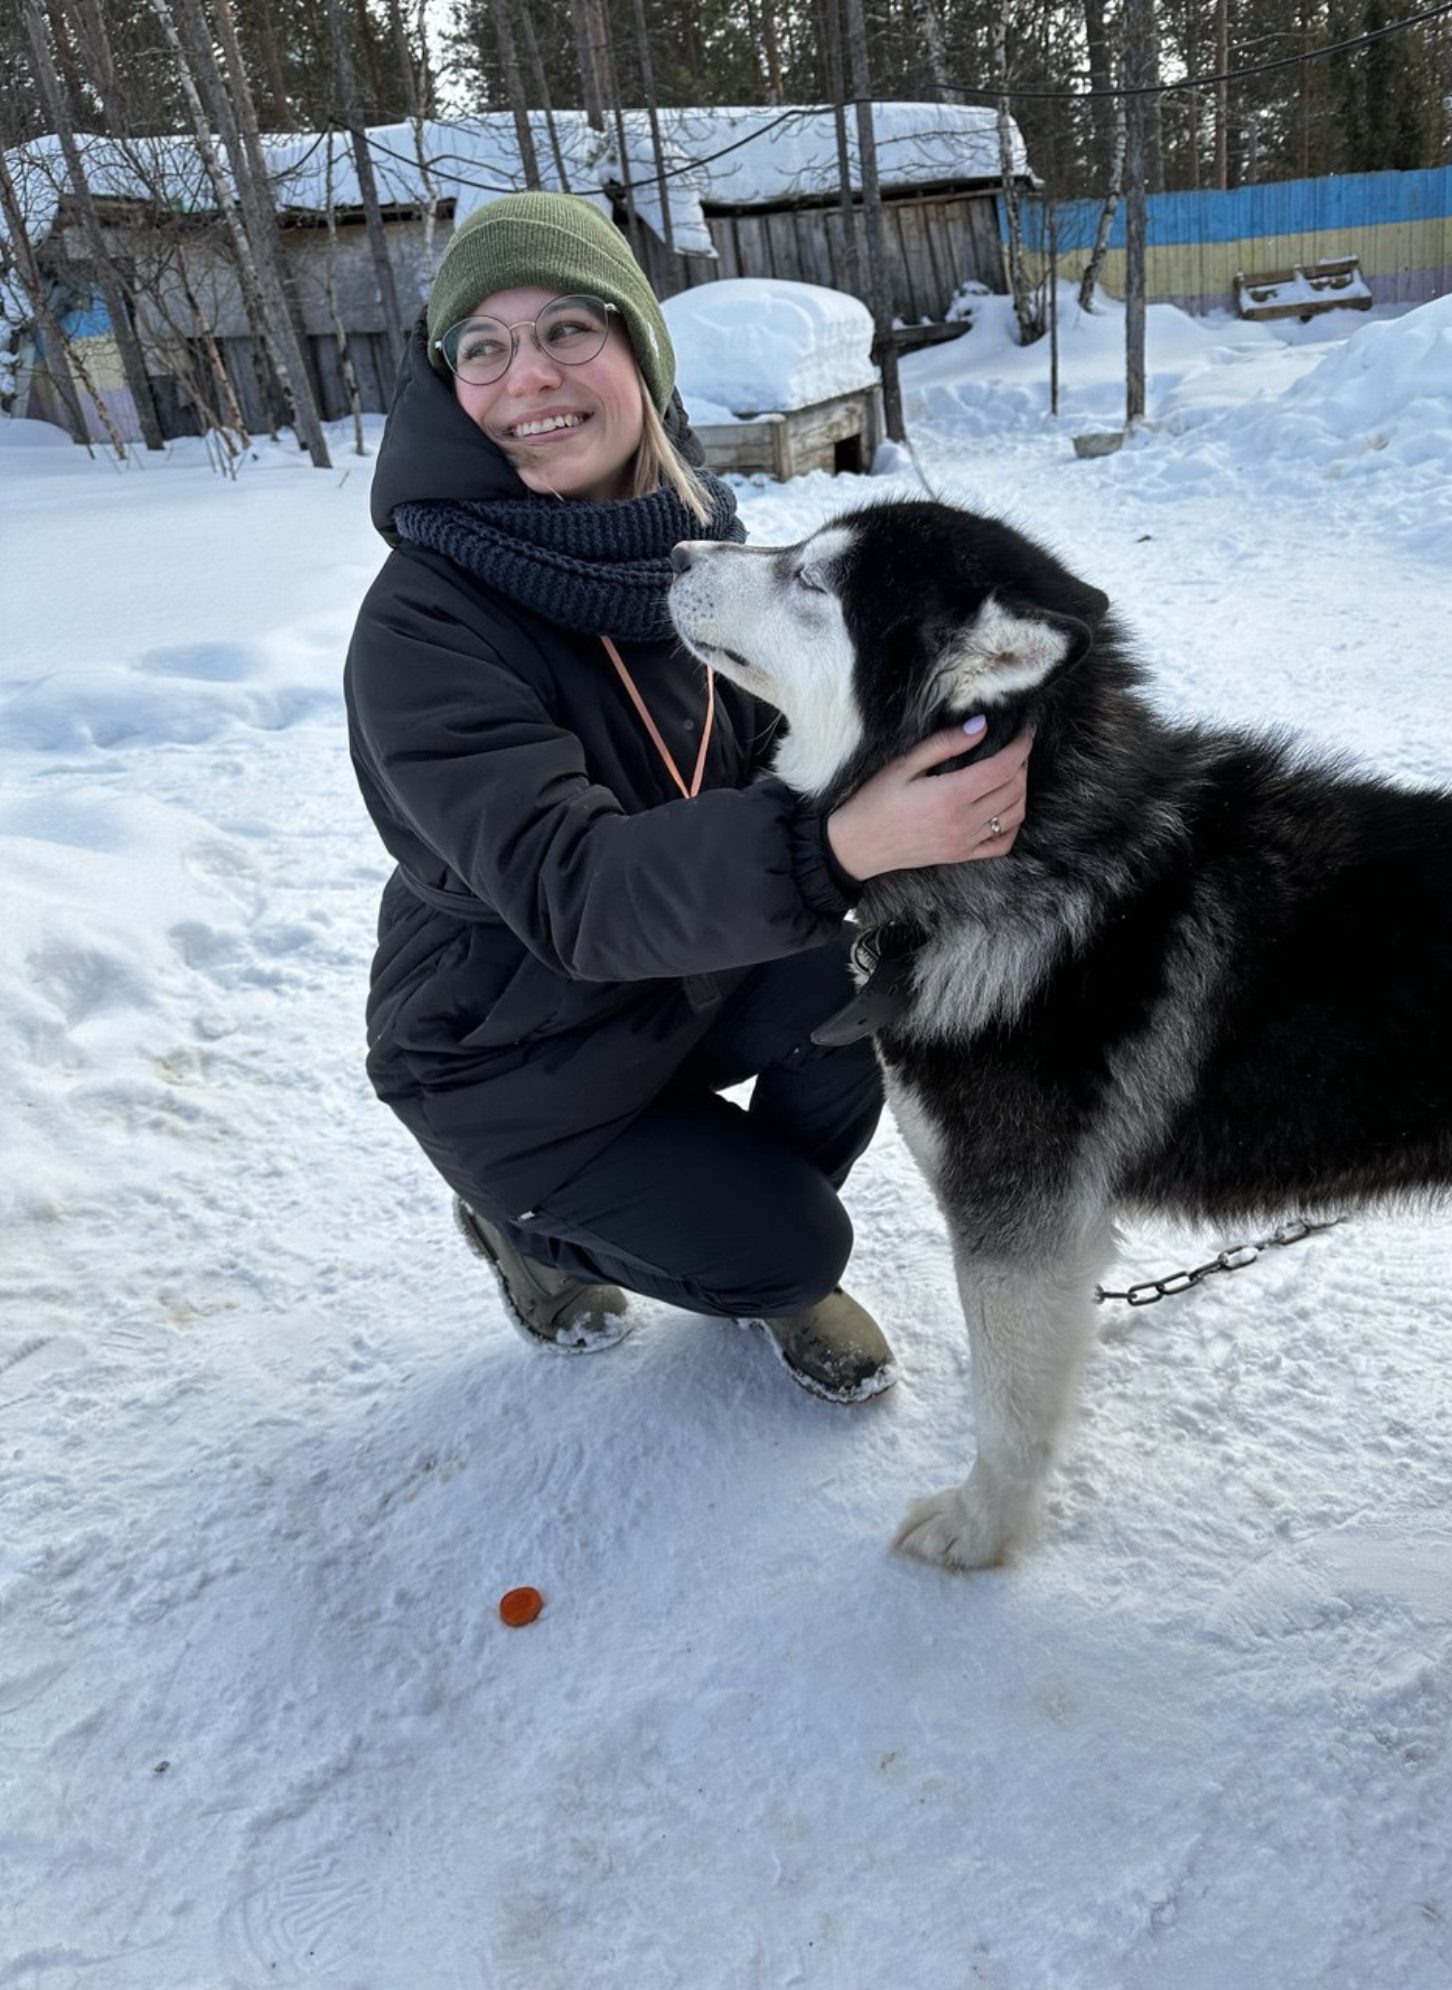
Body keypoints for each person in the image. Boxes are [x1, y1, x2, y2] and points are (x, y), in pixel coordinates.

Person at [344, 192, 1031, 1404]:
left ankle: (732, 1225)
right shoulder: (422, 626)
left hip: (678, 979)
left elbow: (806, 728)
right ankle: (558, 1234)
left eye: (567, 329)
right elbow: (577, 891)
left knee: (895, 977)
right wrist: (836, 845)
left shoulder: (693, 552)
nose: (527, 375)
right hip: (509, 1051)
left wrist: (966, 737)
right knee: (793, 1245)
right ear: (448, 380)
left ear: (635, 353)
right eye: (483, 346)